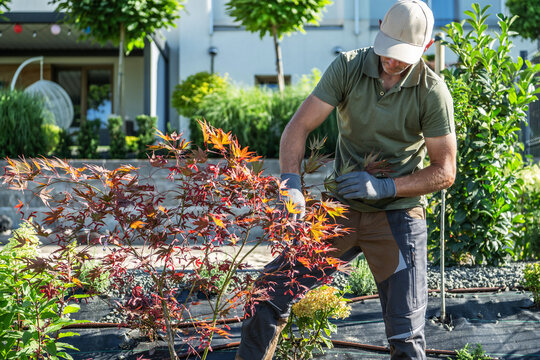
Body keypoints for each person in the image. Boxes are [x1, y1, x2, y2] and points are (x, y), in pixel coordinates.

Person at [235, 0, 456, 359]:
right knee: (268, 293)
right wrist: (290, 182)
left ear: (426, 48)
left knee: (406, 335)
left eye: (403, 55)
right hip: (342, 208)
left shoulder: (432, 92)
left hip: (398, 215)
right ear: (380, 25)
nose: (393, 61)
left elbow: (444, 170)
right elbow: (298, 128)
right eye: (388, 49)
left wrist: (386, 187)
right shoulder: (348, 67)